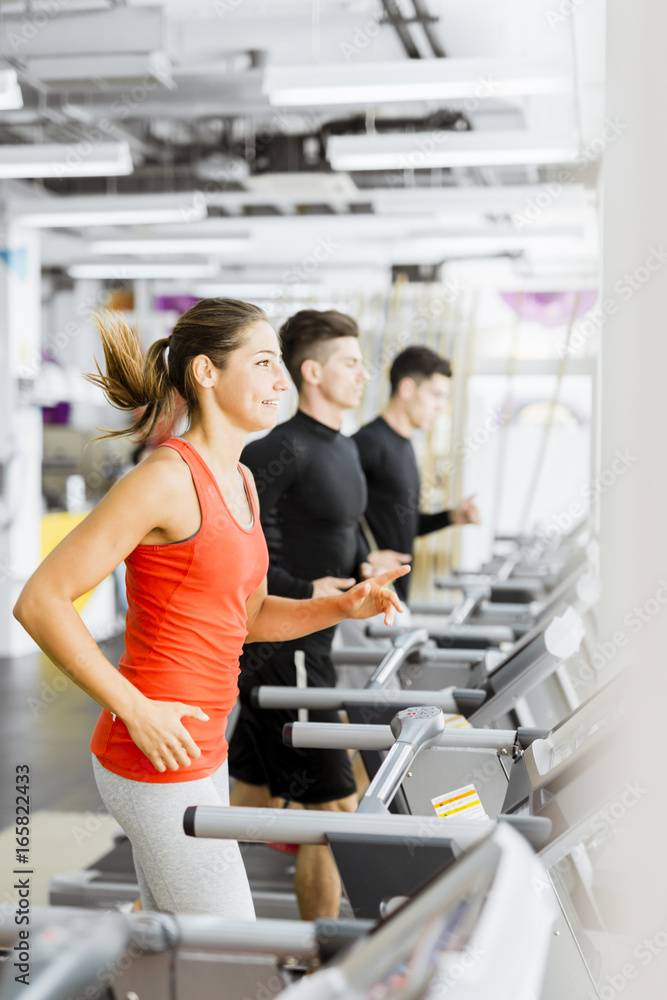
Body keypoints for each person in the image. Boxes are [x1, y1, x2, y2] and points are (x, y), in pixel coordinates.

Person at [13, 299, 408, 921]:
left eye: (281, 363)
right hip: (152, 754)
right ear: (206, 373)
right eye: (263, 363)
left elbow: (246, 618)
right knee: (230, 952)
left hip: (203, 746)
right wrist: (134, 709)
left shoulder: (242, 478)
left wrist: (340, 606)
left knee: (168, 938)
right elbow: (40, 602)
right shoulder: (166, 478)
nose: (281, 379)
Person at [228, 308, 405, 921]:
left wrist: (365, 566)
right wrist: (307, 589)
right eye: (350, 363)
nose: (363, 375)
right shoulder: (277, 449)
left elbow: (337, 537)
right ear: (311, 372)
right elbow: (245, 552)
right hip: (287, 650)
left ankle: (147, 923)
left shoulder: (342, 449)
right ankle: (324, 963)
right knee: (335, 810)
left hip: (312, 643)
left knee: (243, 802)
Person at [353, 345, 481, 603]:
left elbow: (402, 522)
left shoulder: (406, 445)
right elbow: (330, 517)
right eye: (436, 395)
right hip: (365, 594)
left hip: (393, 593)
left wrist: (451, 516)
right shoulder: (368, 442)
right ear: (407, 389)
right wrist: (365, 556)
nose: (441, 406)